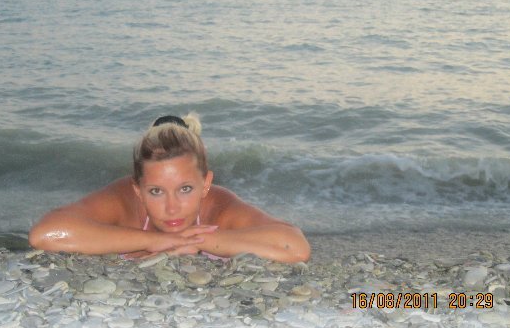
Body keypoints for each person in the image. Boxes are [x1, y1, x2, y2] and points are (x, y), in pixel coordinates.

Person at [28, 113, 311, 263]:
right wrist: (154, 241)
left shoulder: (218, 206)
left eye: (185, 189)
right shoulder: (124, 199)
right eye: (156, 191)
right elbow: (45, 234)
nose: (172, 208)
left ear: (206, 184)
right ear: (138, 190)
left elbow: (294, 246)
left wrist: (197, 241)